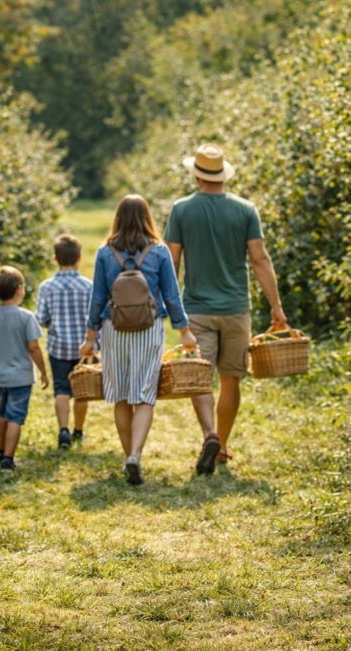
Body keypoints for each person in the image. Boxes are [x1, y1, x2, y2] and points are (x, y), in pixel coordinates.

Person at [165, 143, 287, 474]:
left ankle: (210, 435)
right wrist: (276, 306)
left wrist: (170, 306)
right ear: (223, 174)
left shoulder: (181, 209)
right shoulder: (246, 209)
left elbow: (171, 261)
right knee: (230, 380)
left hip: (197, 309)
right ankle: (221, 446)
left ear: (196, 174)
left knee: (199, 377)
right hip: (236, 308)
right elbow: (260, 260)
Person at [80, 195, 197, 485]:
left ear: (117, 217)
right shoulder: (159, 251)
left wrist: (89, 337)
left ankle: (128, 458)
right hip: (149, 328)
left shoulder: (105, 252)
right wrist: (184, 330)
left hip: (113, 328)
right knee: (145, 392)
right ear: (147, 217)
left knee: (121, 393)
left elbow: (97, 299)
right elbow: (171, 295)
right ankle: (135, 454)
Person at [0, 266, 50, 470]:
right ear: (19, 290)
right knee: (16, 418)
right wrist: (43, 371)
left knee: (2, 414)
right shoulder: (26, 317)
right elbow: (33, 347)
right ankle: (8, 460)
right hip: (20, 378)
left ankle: (1, 450)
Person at [35, 234, 94, 449]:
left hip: (58, 349)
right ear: (79, 258)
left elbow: (40, 319)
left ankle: (63, 431)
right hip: (84, 349)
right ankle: (78, 431)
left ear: (54, 259)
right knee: (81, 392)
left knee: (61, 390)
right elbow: (95, 318)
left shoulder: (47, 287)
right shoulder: (89, 286)